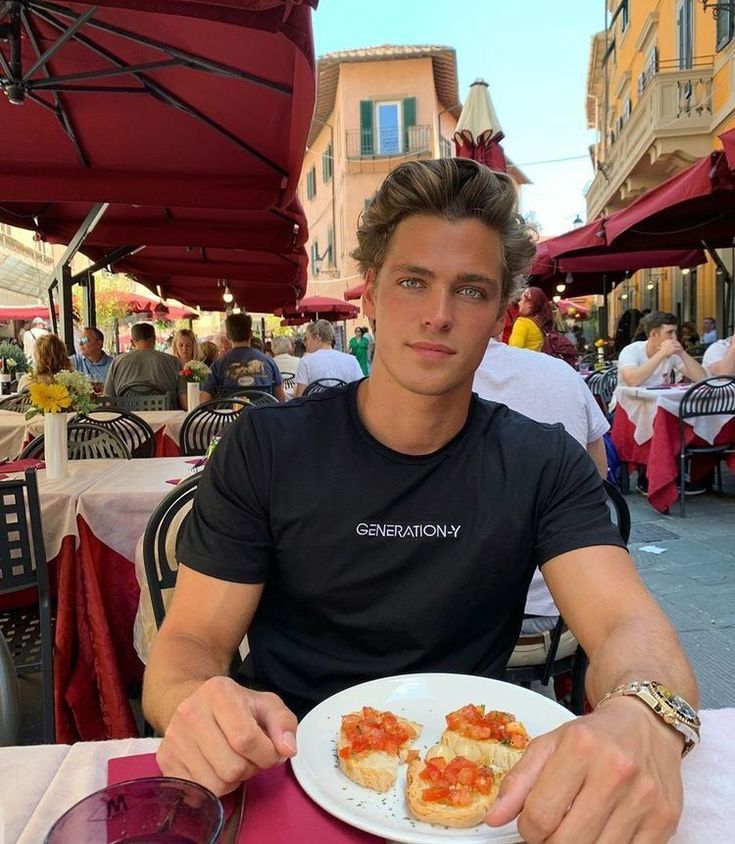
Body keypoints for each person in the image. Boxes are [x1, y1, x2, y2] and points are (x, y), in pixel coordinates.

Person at [144, 158, 698, 844]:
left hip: (473, 794)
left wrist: (644, 713)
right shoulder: (266, 448)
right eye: (412, 282)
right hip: (283, 773)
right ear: (369, 294)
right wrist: (197, 705)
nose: (438, 315)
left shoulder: (540, 460)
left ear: (500, 314)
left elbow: (627, 627)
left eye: (470, 291)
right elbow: (186, 650)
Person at [473, 338, 609, 694]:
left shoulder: (417, 391)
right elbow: (599, 479)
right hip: (568, 619)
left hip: (472, 634)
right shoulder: (560, 372)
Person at [200, 313, 285, 402]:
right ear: (251, 334)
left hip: (229, 415)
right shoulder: (269, 362)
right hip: (262, 414)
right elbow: (281, 399)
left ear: (228, 336)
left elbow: (204, 401)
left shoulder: (218, 365)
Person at [104, 321, 185, 408]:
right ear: (154, 339)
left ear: (132, 342)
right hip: (165, 420)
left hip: (128, 419)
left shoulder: (117, 362)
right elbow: (184, 401)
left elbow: (108, 402)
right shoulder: (173, 362)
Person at [617, 311, 706, 387]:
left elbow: (702, 379)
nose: (674, 337)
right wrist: (661, 354)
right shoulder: (631, 350)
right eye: (669, 333)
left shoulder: (673, 353)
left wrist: (682, 353)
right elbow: (632, 381)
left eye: (675, 332)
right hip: (629, 403)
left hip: (658, 401)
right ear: (654, 334)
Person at [292, 320, 364, 397]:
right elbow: (361, 391)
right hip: (344, 407)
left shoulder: (305, 362)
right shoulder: (352, 360)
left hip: (315, 408)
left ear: (318, 337)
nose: (305, 343)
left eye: (307, 338)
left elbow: (300, 399)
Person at [508, 287, 552, 351]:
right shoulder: (541, 322)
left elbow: (513, 351)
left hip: (523, 360)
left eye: (521, 300)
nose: (519, 303)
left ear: (529, 304)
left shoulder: (522, 323)